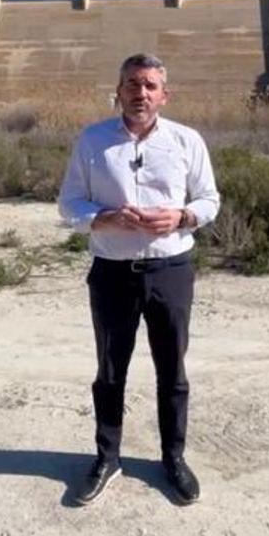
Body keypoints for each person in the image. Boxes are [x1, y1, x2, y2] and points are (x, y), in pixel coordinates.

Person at [58, 53, 220, 505]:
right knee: (110, 371)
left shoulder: (187, 141)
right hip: (111, 273)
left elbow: (210, 199)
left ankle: (173, 459)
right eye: (132, 83)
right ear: (119, 90)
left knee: (173, 370)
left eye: (150, 85)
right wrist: (102, 218)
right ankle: (107, 458)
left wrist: (183, 216)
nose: (140, 92)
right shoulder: (92, 141)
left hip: (171, 270)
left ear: (164, 95)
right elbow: (69, 203)